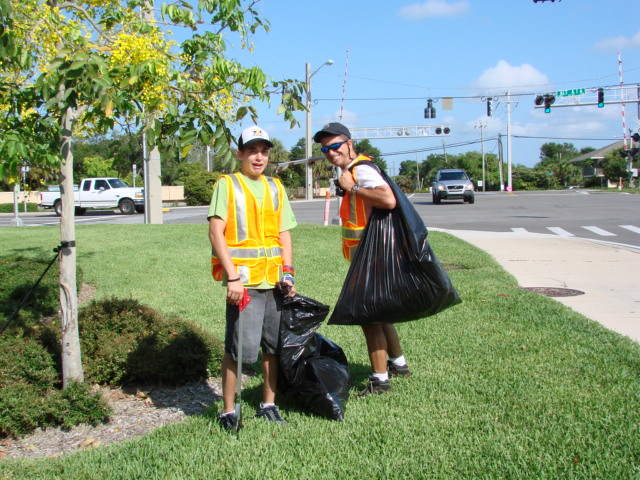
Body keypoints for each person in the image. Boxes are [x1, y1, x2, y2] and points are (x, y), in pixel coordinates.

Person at [208, 126, 297, 430]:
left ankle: (268, 405)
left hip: (275, 281)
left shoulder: (275, 186)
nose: (259, 157)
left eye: (264, 151)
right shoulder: (228, 185)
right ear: (240, 154)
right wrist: (233, 277)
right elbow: (216, 232)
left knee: (273, 347)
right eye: (252, 151)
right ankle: (228, 411)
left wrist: (288, 272)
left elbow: (284, 234)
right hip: (244, 282)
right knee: (237, 350)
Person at [314, 122, 411, 396]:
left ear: (349, 143)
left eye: (335, 145)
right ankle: (398, 364)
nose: (331, 152)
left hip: (373, 256)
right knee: (381, 314)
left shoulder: (361, 170)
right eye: (325, 149)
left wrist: (353, 187)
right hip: (369, 255)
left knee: (369, 317)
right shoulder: (353, 169)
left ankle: (379, 380)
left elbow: (388, 199)